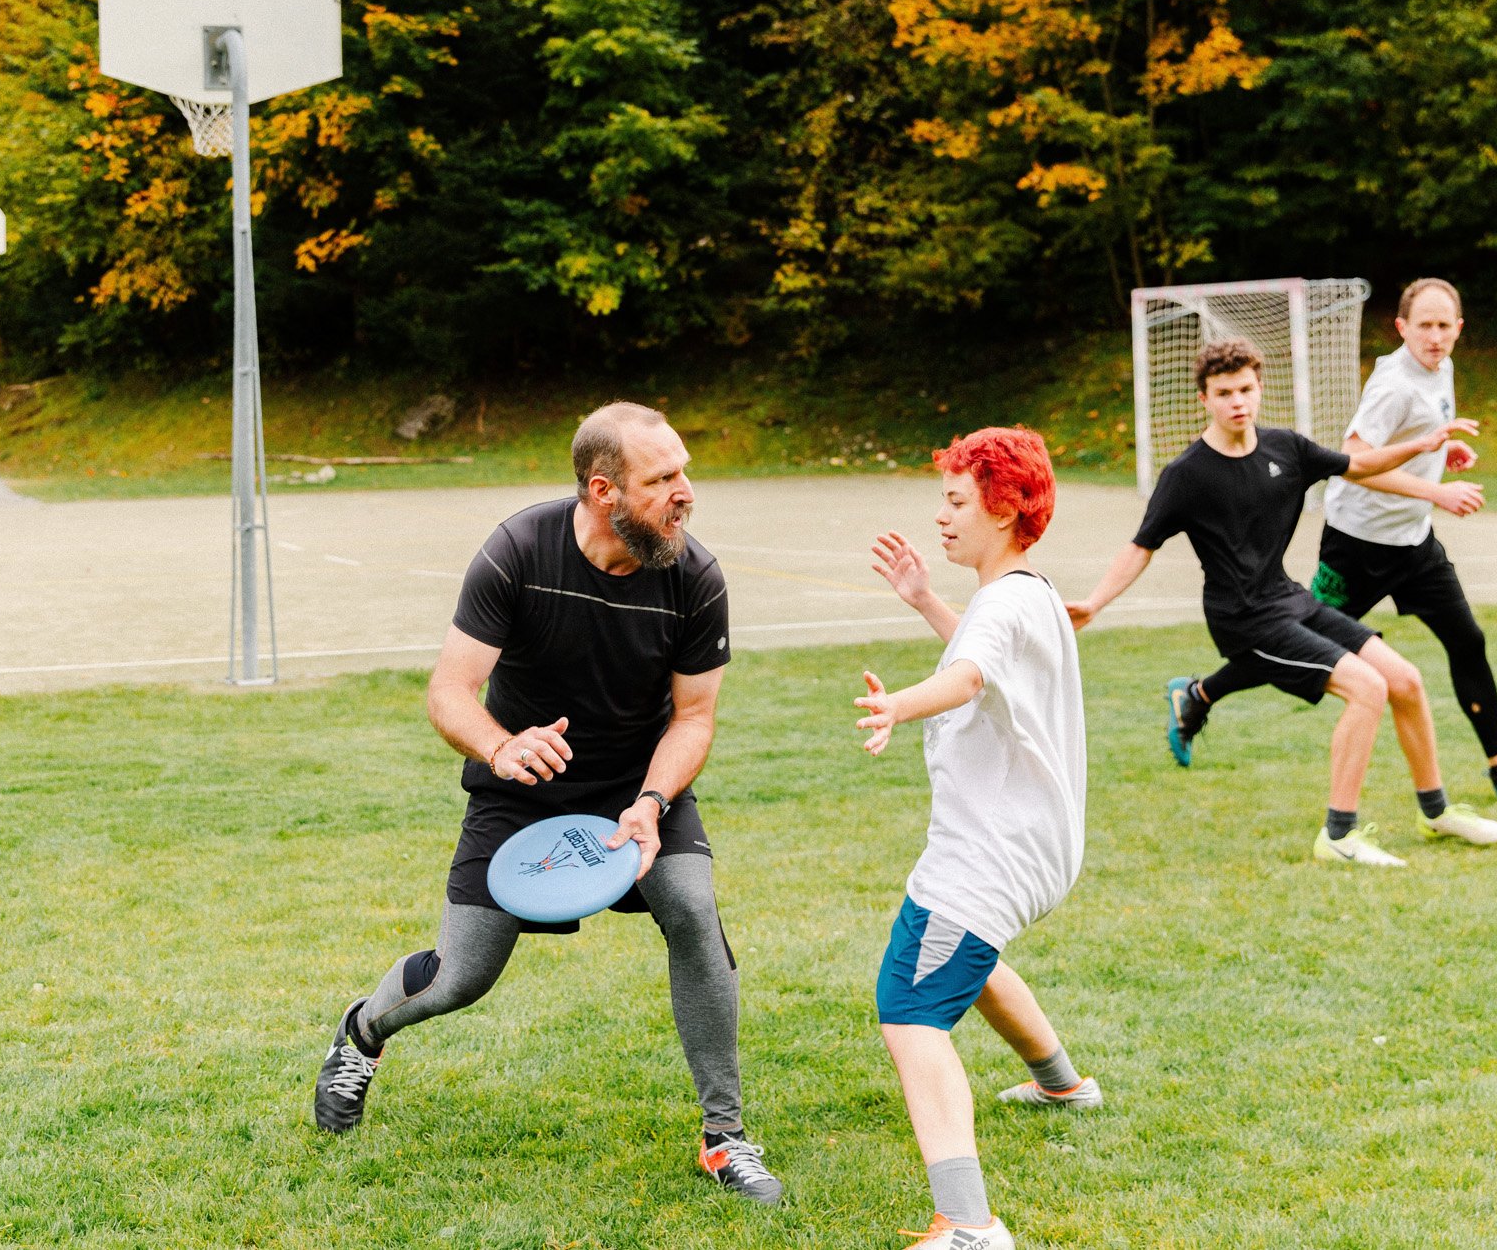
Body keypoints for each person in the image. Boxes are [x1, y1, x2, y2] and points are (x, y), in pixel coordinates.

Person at [310, 401, 783, 1205]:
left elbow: (695, 718)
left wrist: (652, 800)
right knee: (460, 976)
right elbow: (449, 691)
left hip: (639, 787)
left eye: (684, 471)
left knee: (693, 911)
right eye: (662, 478)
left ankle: (725, 1136)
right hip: (521, 785)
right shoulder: (518, 551)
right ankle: (363, 1031)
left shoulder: (695, 577)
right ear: (603, 490)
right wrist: (500, 746)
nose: (686, 492)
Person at [1070, 339, 1497, 867]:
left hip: (1289, 599)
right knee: (1366, 689)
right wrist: (1095, 603)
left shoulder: (1286, 449)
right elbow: (1141, 546)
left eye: (1247, 389)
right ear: (1204, 399)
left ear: (1260, 389)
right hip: (1245, 620)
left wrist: (1425, 444)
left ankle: (1435, 812)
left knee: (1405, 681)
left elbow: (1360, 465)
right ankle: (1339, 835)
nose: (1238, 401)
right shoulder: (1187, 475)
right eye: (1225, 392)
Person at [1175, 279, 1497, 798]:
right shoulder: (1394, 384)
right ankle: (1200, 694)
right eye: (1424, 327)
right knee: (1291, 645)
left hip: (1414, 545)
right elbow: (1353, 464)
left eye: (1443, 326)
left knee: (1467, 640)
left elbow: (1410, 441)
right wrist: (1437, 492)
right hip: (1357, 545)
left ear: (1458, 328)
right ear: (1401, 328)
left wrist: (1440, 456)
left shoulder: (1442, 368)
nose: (1434, 337)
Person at [855, 427, 1096, 1250]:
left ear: (1003, 507)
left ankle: (967, 1223)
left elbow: (968, 674)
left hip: (991, 850)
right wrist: (925, 597)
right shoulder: (1025, 591)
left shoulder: (1007, 602)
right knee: (970, 954)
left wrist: (900, 705)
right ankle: (1064, 1086)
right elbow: (983, 653)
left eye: (957, 500)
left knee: (912, 1007)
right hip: (1035, 846)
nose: (942, 515)